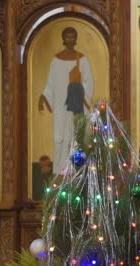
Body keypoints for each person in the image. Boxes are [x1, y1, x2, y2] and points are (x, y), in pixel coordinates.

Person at [38, 27, 94, 174]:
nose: (70, 39)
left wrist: (79, 94)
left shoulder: (82, 59)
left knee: (76, 133)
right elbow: (51, 83)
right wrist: (44, 96)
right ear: (64, 39)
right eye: (67, 37)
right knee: (61, 136)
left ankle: (78, 171)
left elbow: (88, 82)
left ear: (76, 39)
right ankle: (60, 172)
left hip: (77, 105)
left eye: (73, 37)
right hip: (60, 107)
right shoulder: (56, 61)